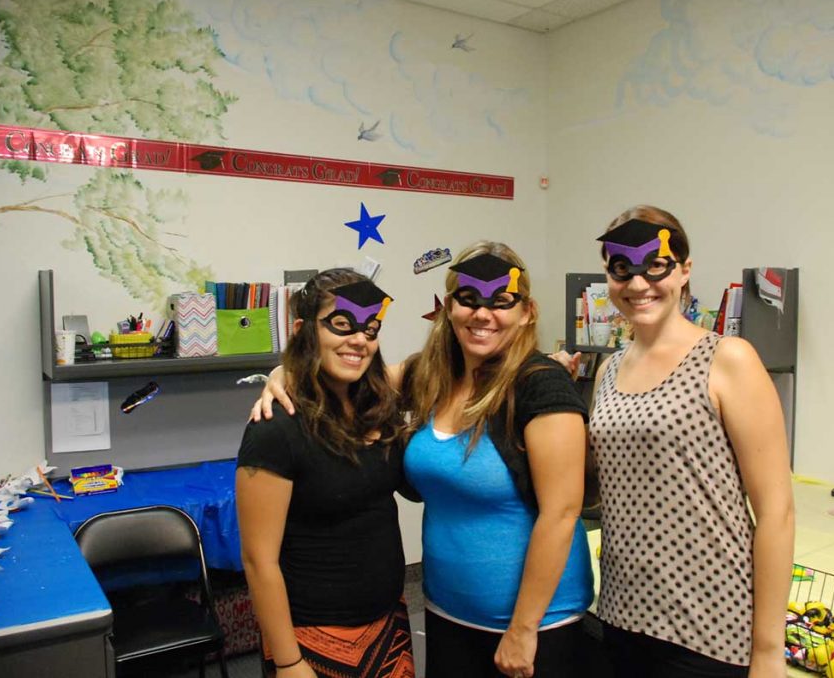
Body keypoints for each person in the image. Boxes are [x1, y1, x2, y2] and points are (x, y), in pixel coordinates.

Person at [253, 243, 594, 678]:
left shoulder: (542, 389)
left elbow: (562, 513)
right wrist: (286, 373)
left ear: (527, 311)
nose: (482, 314)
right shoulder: (430, 376)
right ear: (450, 307)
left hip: (534, 626)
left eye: (501, 302)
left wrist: (524, 629)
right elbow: (351, 371)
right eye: (468, 299)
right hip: (446, 611)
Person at [588, 206, 795, 678]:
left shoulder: (728, 359)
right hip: (622, 611)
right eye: (622, 270)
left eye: (655, 266)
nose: (639, 284)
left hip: (710, 625)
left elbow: (776, 510)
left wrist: (767, 650)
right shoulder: (608, 370)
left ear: (683, 269)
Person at [236, 269, 416, 678]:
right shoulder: (274, 428)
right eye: (341, 324)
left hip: (389, 624)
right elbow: (258, 560)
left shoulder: (375, 405)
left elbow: (442, 362)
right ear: (303, 330)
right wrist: (288, 660)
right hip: (311, 637)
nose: (359, 339)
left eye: (371, 328)